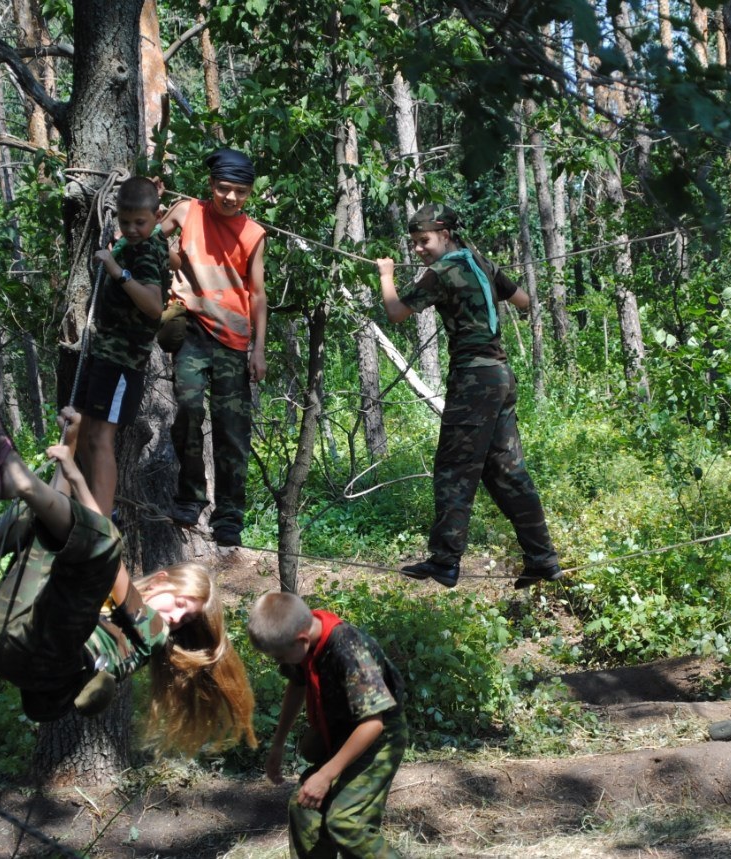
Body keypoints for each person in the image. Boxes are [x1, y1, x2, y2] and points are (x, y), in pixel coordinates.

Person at [0, 408, 256, 748]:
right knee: (43, 518)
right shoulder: (108, 598)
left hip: (44, 659)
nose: (177, 618)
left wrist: (75, 468)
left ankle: (18, 480)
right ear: (163, 580)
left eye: (186, 619)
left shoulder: (152, 634)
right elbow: (69, 519)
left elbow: (103, 541)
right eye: (182, 604)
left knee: (99, 542)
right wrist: (71, 447)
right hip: (10, 634)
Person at [375, 204, 562, 590]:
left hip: (474, 380)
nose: (419, 249)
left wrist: (386, 275)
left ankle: (445, 561)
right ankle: (542, 559)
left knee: (454, 469)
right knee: (506, 471)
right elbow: (523, 300)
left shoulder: (443, 271)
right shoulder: (482, 262)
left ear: (445, 234)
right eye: (414, 243)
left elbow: (395, 312)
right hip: (501, 376)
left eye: (424, 241)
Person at [157, 149, 268, 547]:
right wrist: (152, 206)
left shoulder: (253, 234)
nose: (231, 198)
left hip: (234, 340)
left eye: (240, 191)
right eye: (223, 188)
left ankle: (229, 518)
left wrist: (258, 349)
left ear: (250, 193)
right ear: (210, 185)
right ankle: (190, 498)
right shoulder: (187, 211)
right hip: (191, 329)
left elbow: (258, 294)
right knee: (188, 410)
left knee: (232, 430)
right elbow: (148, 236)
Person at [247, 591, 407, 859]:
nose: (279, 663)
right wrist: (278, 745)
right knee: (304, 809)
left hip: (379, 738)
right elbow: (297, 683)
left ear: (301, 640)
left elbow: (373, 724)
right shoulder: (303, 639)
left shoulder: (347, 650)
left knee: (347, 823)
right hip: (340, 731)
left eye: (280, 657)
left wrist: (325, 775)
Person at [74, 175, 169, 520]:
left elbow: (155, 306)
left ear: (156, 218)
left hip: (123, 359)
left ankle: (101, 519)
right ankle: (94, 508)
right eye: (125, 222)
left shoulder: (143, 254)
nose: (131, 229)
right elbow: (155, 227)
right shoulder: (149, 238)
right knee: (86, 433)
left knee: (100, 437)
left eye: (139, 223)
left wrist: (118, 271)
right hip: (105, 354)